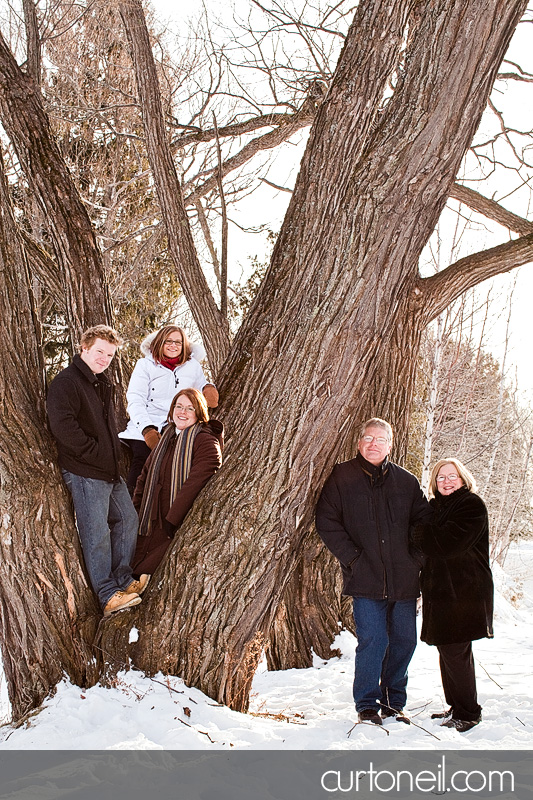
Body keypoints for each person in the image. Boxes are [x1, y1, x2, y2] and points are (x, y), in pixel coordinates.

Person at [316, 417, 431, 725]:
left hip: (404, 578)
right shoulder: (342, 476)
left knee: (405, 639)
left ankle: (395, 701)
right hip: (364, 578)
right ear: (359, 442)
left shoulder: (406, 482)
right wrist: (353, 558)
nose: (373, 444)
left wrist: (416, 558)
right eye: (368, 438)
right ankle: (367, 703)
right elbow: (326, 520)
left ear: (390, 445)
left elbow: (424, 523)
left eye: (380, 439)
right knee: (373, 640)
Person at [47, 325, 143, 617]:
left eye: (110, 355)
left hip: (108, 471)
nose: (104, 358)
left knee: (127, 520)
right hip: (85, 470)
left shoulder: (101, 383)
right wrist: (94, 454)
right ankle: (106, 594)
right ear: (84, 348)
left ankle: (123, 581)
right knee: (96, 532)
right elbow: (63, 426)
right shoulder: (67, 382)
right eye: (100, 351)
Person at [411, 458, 494, 733]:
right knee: (448, 649)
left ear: (463, 478)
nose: (446, 482)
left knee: (456, 650)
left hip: (465, 592)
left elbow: (447, 543)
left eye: (452, 477)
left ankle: (469, 713)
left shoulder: (471, 505)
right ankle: (457, 707)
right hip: (443, 593)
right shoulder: (438, 507)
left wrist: (419, 532)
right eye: (441, 478)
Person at [131, 387, 223, 576]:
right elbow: (144, 476)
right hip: (148, 520)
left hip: (171, 525)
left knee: (146, 572)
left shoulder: (204, 440)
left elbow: (196, 482)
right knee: (131, 569)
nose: (183, 412)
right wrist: (135, 512)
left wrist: (172, 521)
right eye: (179, 406)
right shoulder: (167, 438)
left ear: (199, 412)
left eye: (190, 408)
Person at [119, 326, 219, 493]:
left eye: (178, 342)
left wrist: (208, 388)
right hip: (145, 424)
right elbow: (136, 399)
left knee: (174, 465)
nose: (173, 346)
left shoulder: (192, 365)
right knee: (143, 460)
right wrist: (147, 430)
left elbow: (200, 383)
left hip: (176, 424)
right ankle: (131, 506)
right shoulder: (145, 365)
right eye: (169, 341)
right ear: (160, 342)